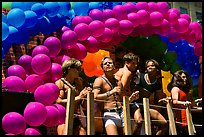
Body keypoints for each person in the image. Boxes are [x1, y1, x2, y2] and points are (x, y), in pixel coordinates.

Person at [93, 56, 139, 135]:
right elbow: (94, 97)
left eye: (110, 63)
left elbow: (121, 100)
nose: (108, 64)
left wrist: (131, 99)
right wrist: (110, 92)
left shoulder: (118, 82)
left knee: (133, 127)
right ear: (102, 68)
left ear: (114, 66)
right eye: (105, 64)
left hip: (122, 112)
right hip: (109, 114)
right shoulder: (99, 80)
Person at [55, 58, 92, 135]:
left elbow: (82, 104)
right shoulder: (60, 83)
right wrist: (78, 97)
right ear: (69, 69)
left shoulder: (79, 81)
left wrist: (85, 95)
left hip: (76, 117)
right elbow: (58, 101)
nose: (79, 71)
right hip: (64, 118)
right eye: (77, 68)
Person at [136, 59, 168, 135]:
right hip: (136, 104)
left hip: (147, 107)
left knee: (164, 124)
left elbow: (158, 100)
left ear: (156, 69)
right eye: (148, 66)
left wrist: (164, 100)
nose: (149, 67)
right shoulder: (140, 76)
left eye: (152, 66)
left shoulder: (157, 84)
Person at [114, 52, 143, 135]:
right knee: (139, 121)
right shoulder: (128, 73)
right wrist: (129, 98)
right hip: (125, 102)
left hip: (120, 101)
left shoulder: (119, 71)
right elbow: (121, 90)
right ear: (127, 63)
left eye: (136, 63)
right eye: (133, 63)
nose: (136, 65)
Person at [167, 70, 195, 135]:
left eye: (185, 77)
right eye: (183, 77)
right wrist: (184, 103)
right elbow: (175, 101)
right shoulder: (175, 89)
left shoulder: (184, 90)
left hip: (187, 113)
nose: (185, 79)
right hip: (180, 115)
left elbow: (189, 101)